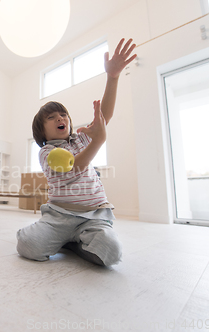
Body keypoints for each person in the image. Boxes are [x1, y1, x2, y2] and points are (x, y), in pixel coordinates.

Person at [16, 38, 137, 266]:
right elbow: (71, 168)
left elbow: (105, 117)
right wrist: (97, 143)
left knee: (112, 253)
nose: (60, 118)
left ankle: (73, 242)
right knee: (28, 246)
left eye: (63, 115)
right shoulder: (46, 152)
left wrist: (113, 77)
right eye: (51, 118)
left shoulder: (81, 138)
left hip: (94, 216)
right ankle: (61, 236)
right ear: (41, 133)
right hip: (59, 216)